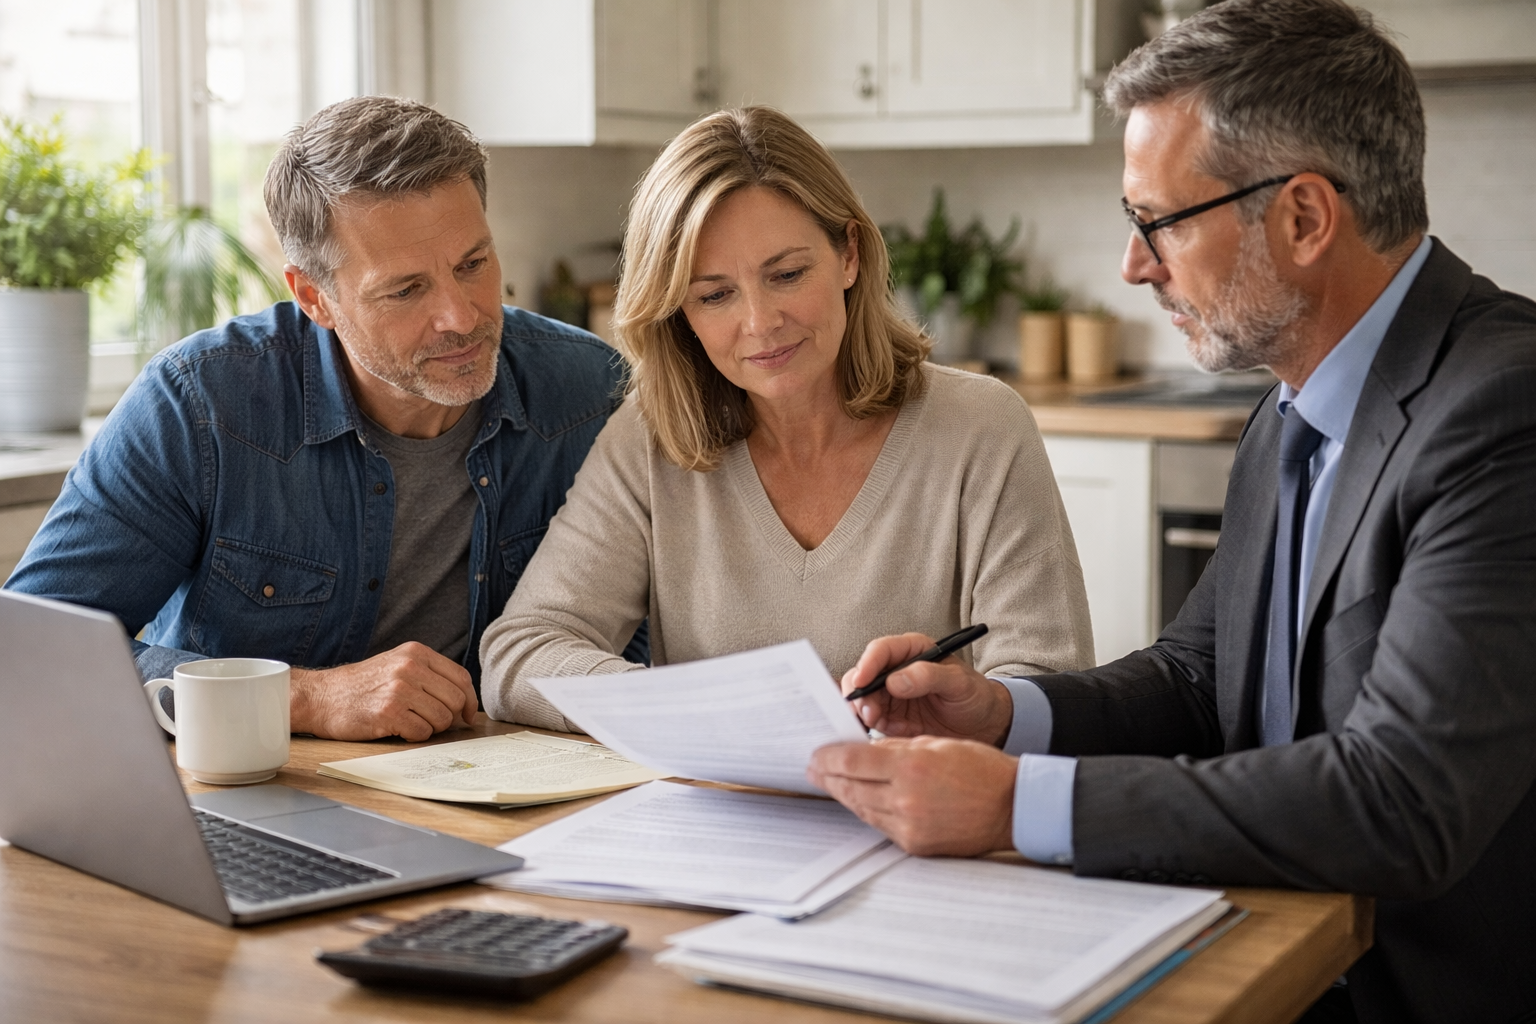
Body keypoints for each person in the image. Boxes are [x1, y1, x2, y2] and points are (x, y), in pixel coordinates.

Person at [809, 2, 1536, 1021]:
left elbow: (1404, 799)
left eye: (1158, 222)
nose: (1134, 265)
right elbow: (1201, 680)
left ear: (1303, 217)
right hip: (1272, 943)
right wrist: (1006, 719)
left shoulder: (1504, 411)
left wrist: (1019, 806)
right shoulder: (1292, 403)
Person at [5, 96, 642, 742]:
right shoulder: (199, 405)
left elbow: (647, 641)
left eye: (472, 264)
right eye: (406, 289)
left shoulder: (590, 394)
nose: (462, 315)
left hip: (497, 799)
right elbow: (25, 651)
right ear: (314, 297)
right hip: (251, 796)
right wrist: (306, 698)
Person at [478, 106, 1094, 727]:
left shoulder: (981, 427)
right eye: (715, 294)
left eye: (788, 274)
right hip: (717, 815)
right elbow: (520, 656)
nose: (760, 323)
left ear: (848, 254)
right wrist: (735, 706)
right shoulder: (651, 439)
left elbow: (1049, 688)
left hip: (922, 812)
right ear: (678, 313)